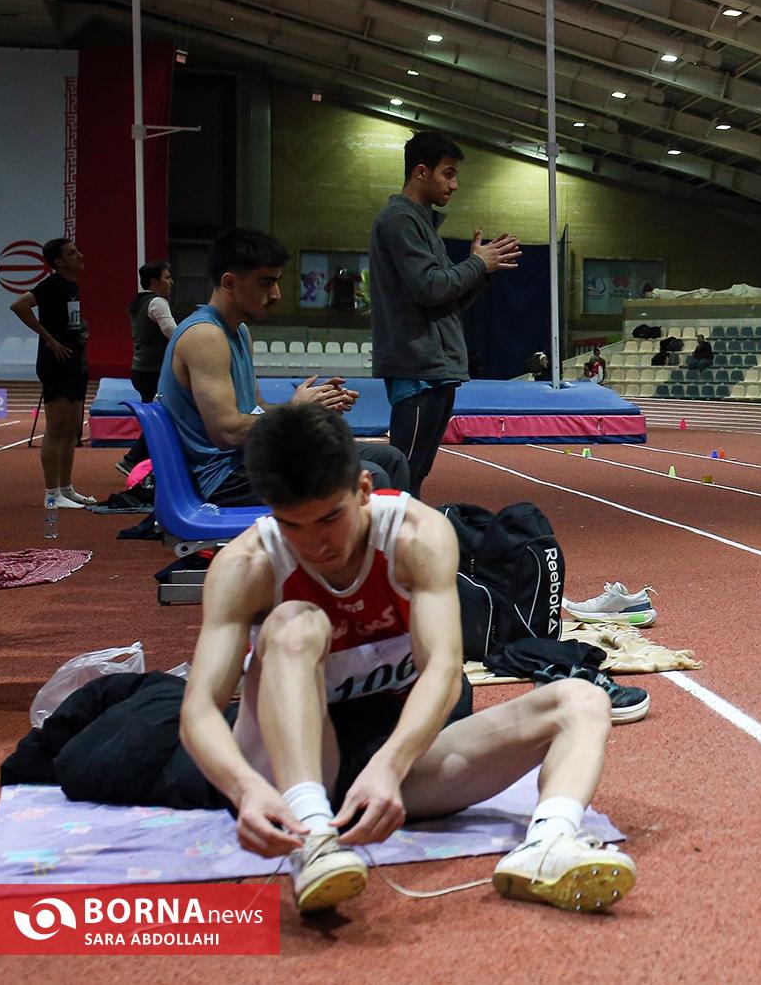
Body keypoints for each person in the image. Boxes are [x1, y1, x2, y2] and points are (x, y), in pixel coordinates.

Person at [180, 404, 635, 914]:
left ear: (364, 489)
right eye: (292, 526)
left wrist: (390, 765)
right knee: (294, 623)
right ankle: (313, 836)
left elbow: (443, 670)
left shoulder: (416, 536)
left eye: (330, 518)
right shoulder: (246, 565)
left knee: (582, 700)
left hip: (389, 757)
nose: (315, 545)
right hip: (287, 765)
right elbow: (200, 709)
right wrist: (243, 789)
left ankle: (548, 844)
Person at [160, 227, 410, 506]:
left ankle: (396, 534)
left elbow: (256, 409)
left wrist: (309, 405)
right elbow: (227, 433)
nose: (277, 294)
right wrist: (294, 411)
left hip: (251, 458)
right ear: (229, 283)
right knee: (370, 475)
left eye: (277, 282)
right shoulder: (204, 336)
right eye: (266, 283)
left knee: (392, 459)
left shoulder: (239, 331)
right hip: (224, 477)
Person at [370, 130, 521, 499]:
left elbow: (445, 300)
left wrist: (480, 271)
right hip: (417, 367)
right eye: (448, 174)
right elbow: (430, 287)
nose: (454, 185)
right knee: (403, 473)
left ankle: (405, 534)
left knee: (415, 472)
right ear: (421, 172)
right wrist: (476, 264)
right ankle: (390, 535)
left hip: (435, 366)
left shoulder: (421, 223)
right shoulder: (399, 219)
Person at [8, 238, 96, 509]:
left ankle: (66, 489)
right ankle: (51, 494)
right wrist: (49, 339)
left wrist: (80, 329)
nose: (80, 255)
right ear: (58, 262)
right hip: (56, 363)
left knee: (71, 431)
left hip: (75, 361)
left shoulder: (71, 286)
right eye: (72, 252)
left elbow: (67, 319)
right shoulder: (52, 285)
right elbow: (19, 305)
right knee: (56, 429)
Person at [120, 261, 179, 473]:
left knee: (158, 418)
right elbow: (173, 332)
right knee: (162, 418)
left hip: (142, 370)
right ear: (154, 281)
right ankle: (132, 460)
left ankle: (144, 463)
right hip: (154, 370)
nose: (171, 282)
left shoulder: (139, 302)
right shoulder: (157, 302)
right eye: (167, 277)